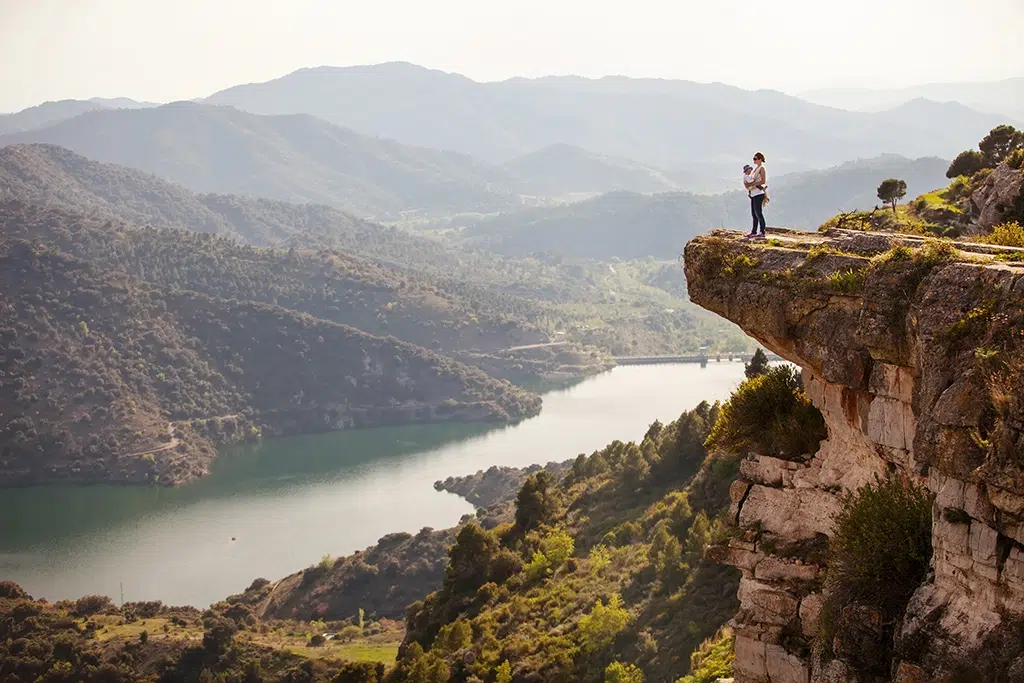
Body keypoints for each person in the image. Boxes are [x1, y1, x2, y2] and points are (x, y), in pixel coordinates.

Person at [744, 152, 768, 238]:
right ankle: (753, 231)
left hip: (758, 193)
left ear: (760, 159)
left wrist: (752, 185)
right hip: (754, 194)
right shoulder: (755, 169)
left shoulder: (761, 168)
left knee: (758, 213)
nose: (754, 160)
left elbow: (763, 181)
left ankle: (762, 231)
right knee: (754, 213)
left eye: (755, 158)